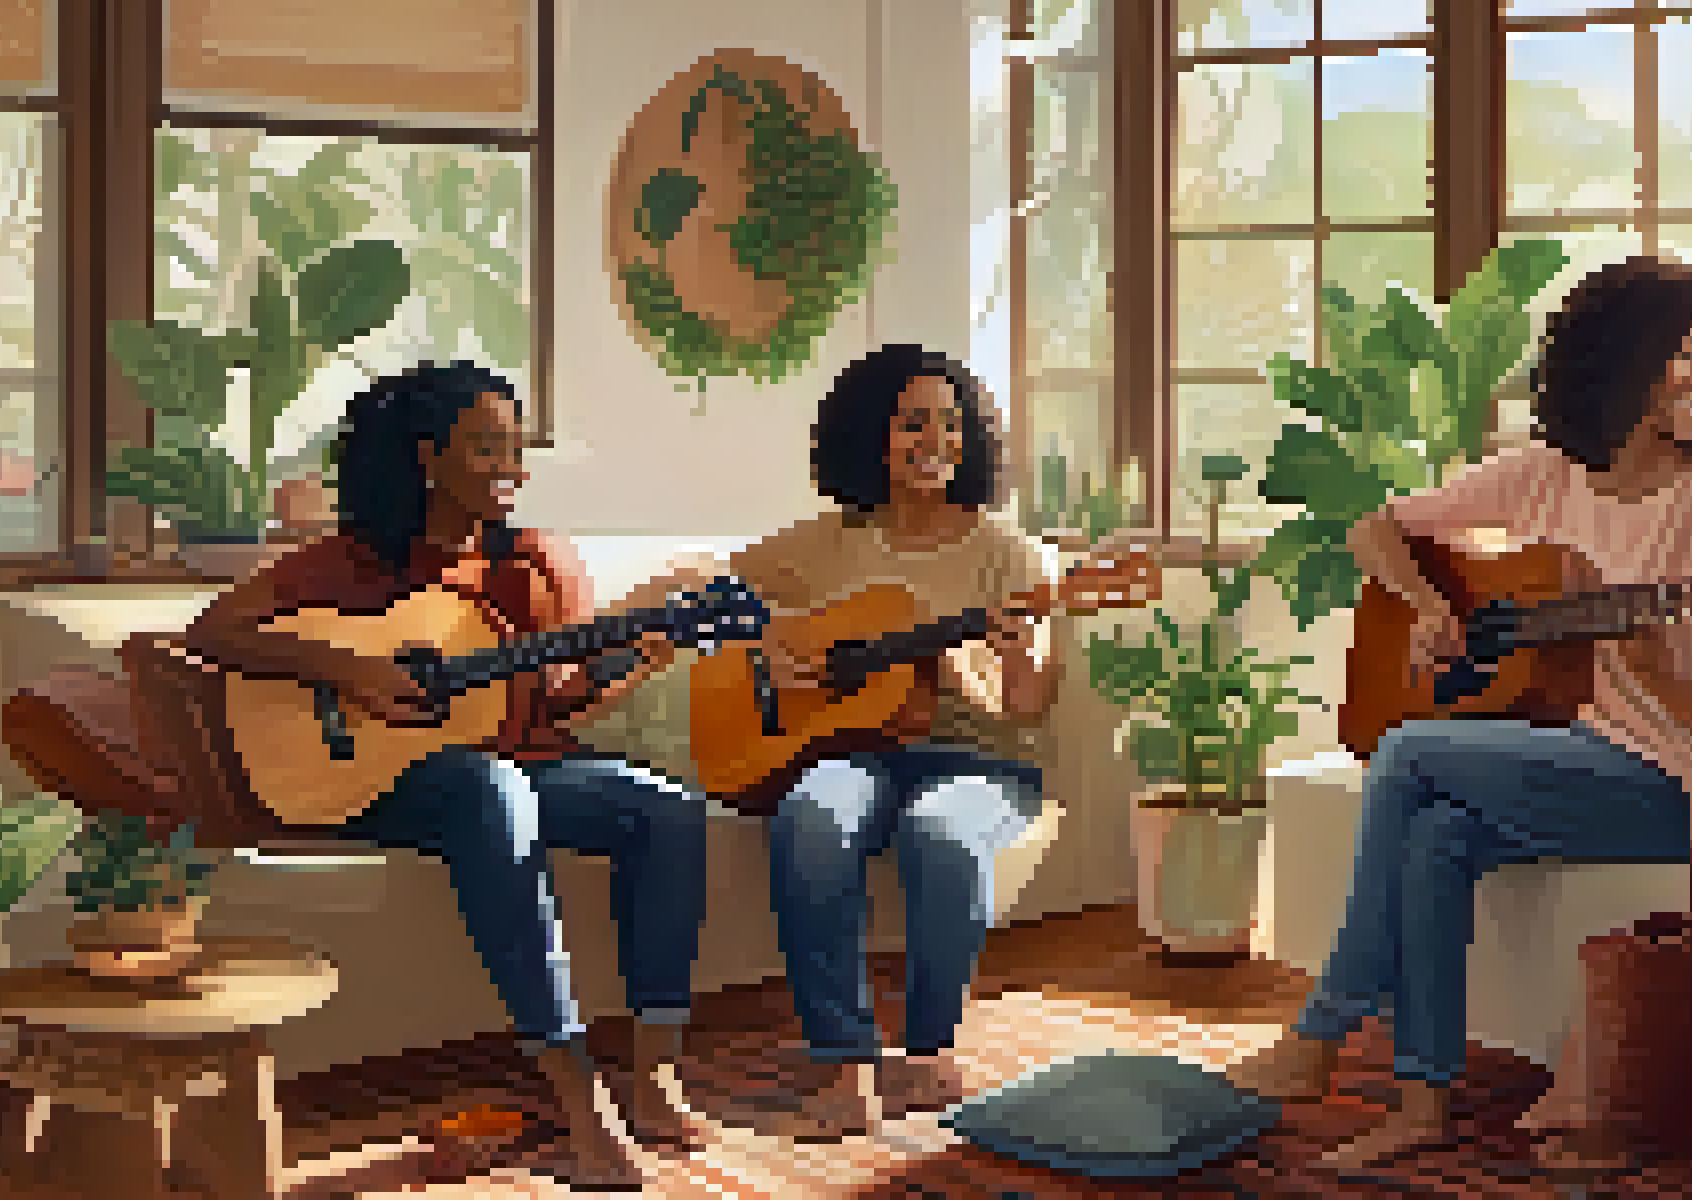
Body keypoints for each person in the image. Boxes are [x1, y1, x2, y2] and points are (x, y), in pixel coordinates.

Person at [1228, 256, 1692, 1170]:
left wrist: (1647, 669)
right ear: (1617, 360)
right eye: (1682, 355)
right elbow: (1375, 528)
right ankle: (1421, 1100)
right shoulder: (1549, 474)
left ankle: (1320, 1033)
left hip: (1691, 782)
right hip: (1589, 750)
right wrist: (1434, 607)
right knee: (1437, 836)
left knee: (1408, 755)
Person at [183, 362, 710, 1190]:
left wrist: (631, 667)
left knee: (669, 811)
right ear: (428, 457)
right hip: (373, 779)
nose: (510, 467)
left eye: (515, 448)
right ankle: (579, 1098)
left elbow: (560, 702)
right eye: (486, 448)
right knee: (486, 788)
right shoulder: (351, 561)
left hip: (515, 771)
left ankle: (653, 1075)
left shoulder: (538, 562)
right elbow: (214, 633)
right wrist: (345, 671)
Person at [719, 344, 1062, 1138]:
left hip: (984, 761)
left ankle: (931, 1052)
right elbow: (722, 595)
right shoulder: (832, 542)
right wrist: (779, 652)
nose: (936, 440)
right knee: (811, 816)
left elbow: (1029, 709)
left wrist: (1003, 658)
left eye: (951, 424)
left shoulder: (1010, 555)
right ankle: (843, 1066)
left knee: (938, 834)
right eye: (914, 423)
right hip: (859, 753)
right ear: (871, 434)